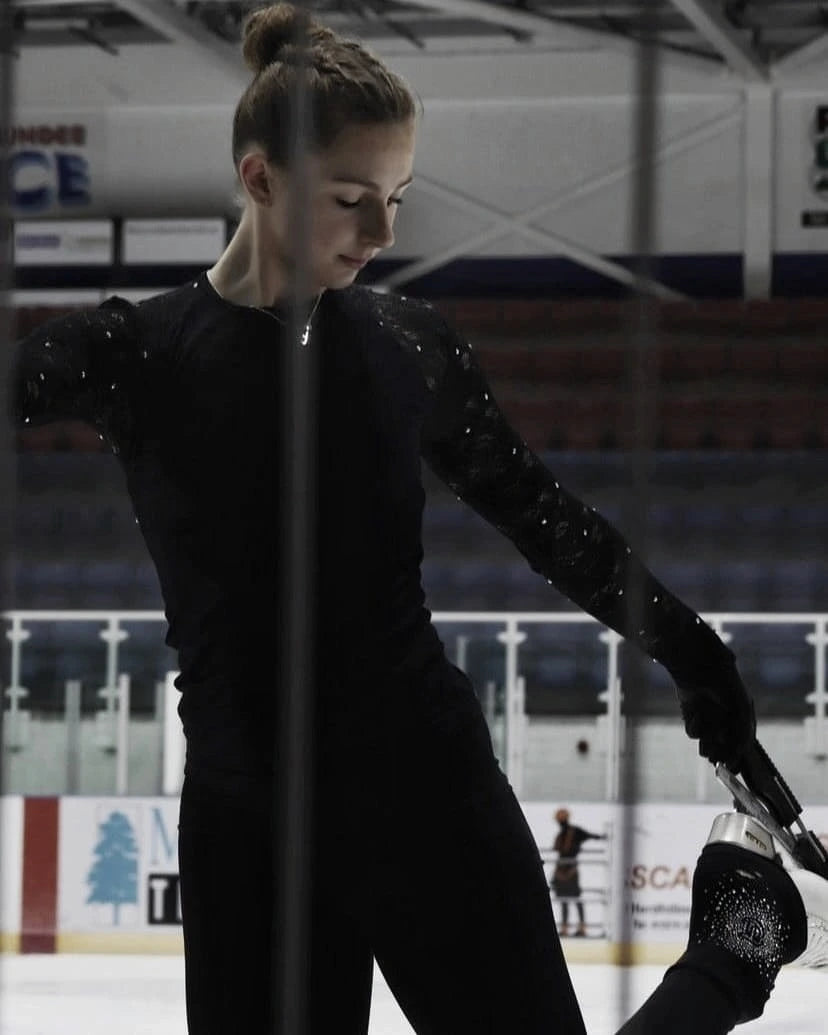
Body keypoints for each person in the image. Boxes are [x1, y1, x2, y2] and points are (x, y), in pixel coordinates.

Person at [14, 3, 807, 1031]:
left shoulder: (408, 347)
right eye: (353, 200)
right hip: (244, 817)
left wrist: (701, 657)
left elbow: (545, 518)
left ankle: (734, 951)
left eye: (396, 197)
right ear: (261, 179)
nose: (384, 232)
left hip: (422, 791)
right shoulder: (141, 354)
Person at [550, 807, 606, 937]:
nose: (560, 822)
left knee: (574, 898)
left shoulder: (574, 832)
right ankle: (565, 927)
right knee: (565, 899)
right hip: (561, 869)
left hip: (570, 870)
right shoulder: (562, 834)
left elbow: (590, 836)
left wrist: (602, 837)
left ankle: (581, 927)